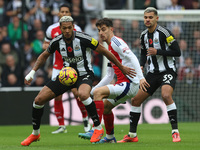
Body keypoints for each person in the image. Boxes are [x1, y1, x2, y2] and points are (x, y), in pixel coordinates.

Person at [20, 16, 135, 146]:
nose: (68, 30)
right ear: (61, 28)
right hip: (66, 76)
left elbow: (104, 51)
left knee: (84, 94)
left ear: (73, 27)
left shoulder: (84, 38)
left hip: (84, 74)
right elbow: (44, 55)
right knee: (38, 100)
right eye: (65, 28)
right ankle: (35, 134)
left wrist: (121, 67)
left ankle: (97, 128)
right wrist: (32, 72)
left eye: (70, 27)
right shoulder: (56, 41)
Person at [78, 18, 149, 143]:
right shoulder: (109, 48)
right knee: (105, 107)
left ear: (111, 29)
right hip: (125, 84)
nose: (101, 33)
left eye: (104, 29)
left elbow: (132, 56)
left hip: (130, 83)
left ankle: (95, 129)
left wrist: (141, 78)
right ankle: (110, 138)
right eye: (99, 30)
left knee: (98, 94)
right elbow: (109, 76)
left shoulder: (116, 42)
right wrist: (91, 90)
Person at [118, 7, 181, 143]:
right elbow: (143, 53)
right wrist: (141, 64)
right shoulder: (143, 35)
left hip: (167, 70)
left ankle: (175, 132)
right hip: (152, 73)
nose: (147, 19)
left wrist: (158, 52)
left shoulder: (165, 33)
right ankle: (132, 135)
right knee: (135, 100)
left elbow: (177, 52)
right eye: (146, 17)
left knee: (166, 95)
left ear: (156, 18)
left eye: (150, 17)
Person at [43, 3, 91, 134]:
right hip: (58, 66)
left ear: (70, 14)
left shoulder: (77, 28)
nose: (64, 14)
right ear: (58, 14)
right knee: (57, 96)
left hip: (73, 66)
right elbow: (46, 43)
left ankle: (85, 120)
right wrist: (46, 48)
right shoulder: (51, 29)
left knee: (77, 94)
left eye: (66, 12)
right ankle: (61, 126)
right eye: (62, 12)